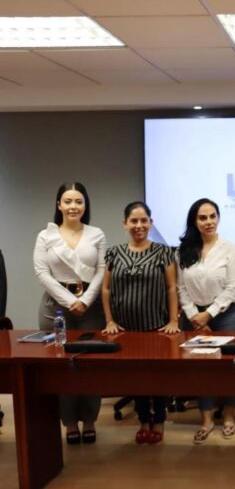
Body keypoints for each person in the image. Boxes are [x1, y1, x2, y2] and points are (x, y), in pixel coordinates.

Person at [33, 182, 107, 445]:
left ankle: (90, 420)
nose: (73, 206)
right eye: (68, 201)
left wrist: (84, 300)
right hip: (55, 307)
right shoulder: (45, 236)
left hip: (90, 306)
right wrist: (69, 300)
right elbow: (42, 273)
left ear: (85, 205)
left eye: (78, 201)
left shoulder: (96, 234)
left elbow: (101, 270)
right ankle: (69, 422)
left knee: (90, 365)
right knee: (60, 365)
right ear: (59, 205)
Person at [101, 201, 180, 445]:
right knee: (136, 378)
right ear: (124, 224)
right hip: (126, 330)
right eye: (133, 221)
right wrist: (110, 320)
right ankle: (144, 420)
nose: (139, 225)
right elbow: (105, 289)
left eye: (144, 220)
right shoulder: (114, 253)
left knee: (158, 378)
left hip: (157, 327)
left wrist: (173, 320)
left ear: (151, 223)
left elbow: (171, 287)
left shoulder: (163, 252)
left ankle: (159, 420)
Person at [177, 198, 235, 443]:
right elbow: (181, 288)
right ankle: (206, 419)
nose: (208, 222)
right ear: (194, 221)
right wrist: (194, 315)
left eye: (212, 216)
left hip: (225, 315)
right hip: (194, 317)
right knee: (201, 369)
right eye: (202, 218)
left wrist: (209, 314)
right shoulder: (183, 250)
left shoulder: (229, 248)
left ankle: (228, 416)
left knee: (228, 367)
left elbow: (233, 288)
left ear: (218, 218)